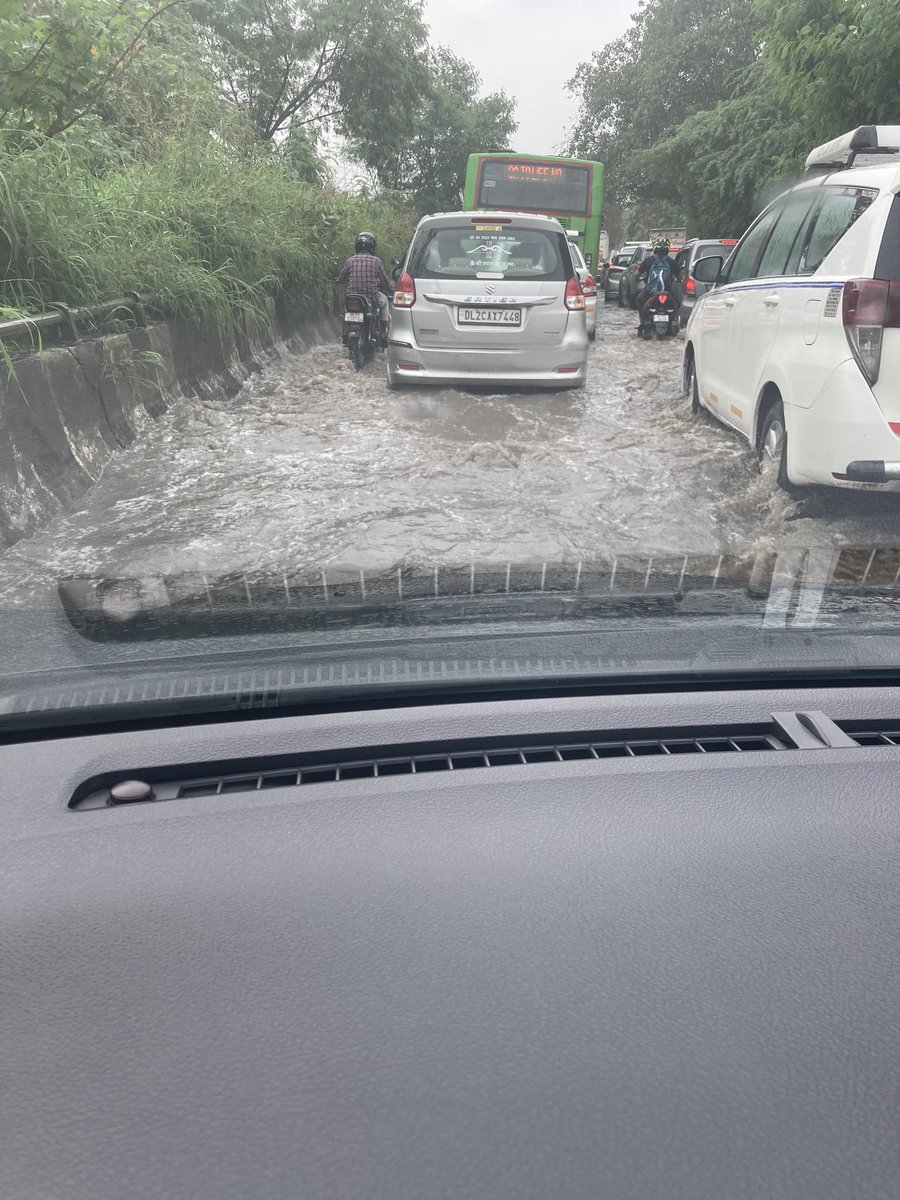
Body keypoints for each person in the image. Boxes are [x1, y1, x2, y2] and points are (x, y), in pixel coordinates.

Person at [337, 232, 394, 335]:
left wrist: (341, 281)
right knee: (385, 301)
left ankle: (345, 331)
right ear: (372, 247)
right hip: (372, 298)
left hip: (353, 297)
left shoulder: (350, 260)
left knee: (346, 310)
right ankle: (382, 332)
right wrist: (390, 288)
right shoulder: (376, 261)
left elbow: (341, 278)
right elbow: (385, 281)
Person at [635, 238, 678, 323]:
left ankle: (642, 322)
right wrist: (677, 280)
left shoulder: (648, 260)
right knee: (677, 302)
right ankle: (674, 321)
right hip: (668, 292)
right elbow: (679, 276)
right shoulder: (672, 262)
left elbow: (637, 274)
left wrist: (637, 279)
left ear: (655, 248)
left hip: (650, 292)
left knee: (639, 299)